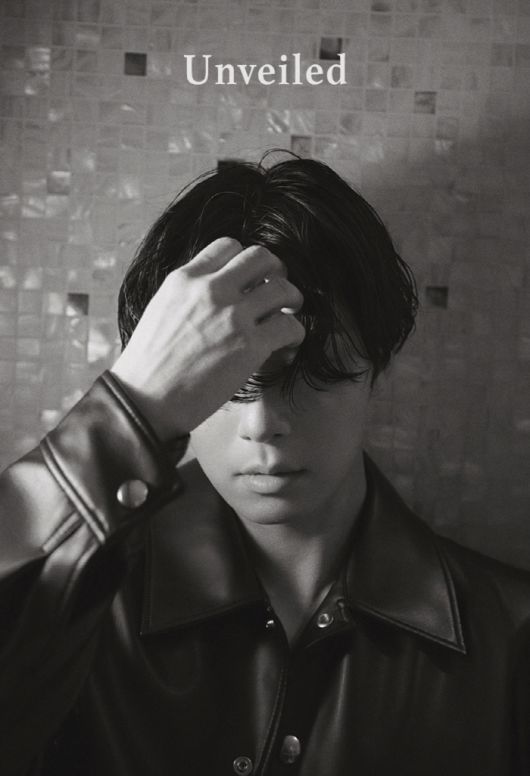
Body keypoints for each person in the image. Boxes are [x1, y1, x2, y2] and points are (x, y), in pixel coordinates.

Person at [1, 154, 529, 776]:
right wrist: (134, 405)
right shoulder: (77, 608)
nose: (262, 424)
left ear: (377, 368)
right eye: (221, 380)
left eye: (318, 376)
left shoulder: (509, 638)